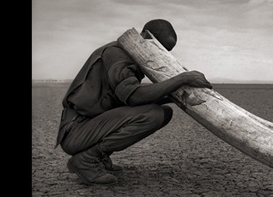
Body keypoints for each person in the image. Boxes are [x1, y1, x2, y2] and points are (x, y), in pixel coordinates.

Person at [56, 19, 212, 184]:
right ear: (145, 37)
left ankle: (98, 156)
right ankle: (87, 159)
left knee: (165, 112)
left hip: (89, 127)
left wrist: (176, 97)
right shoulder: (117, 54)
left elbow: (129, 100)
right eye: (159, 48)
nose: (161, 55)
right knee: (153, 115)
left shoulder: (127, 54)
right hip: (77, 131)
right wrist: (182, 78)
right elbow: (135, 97)